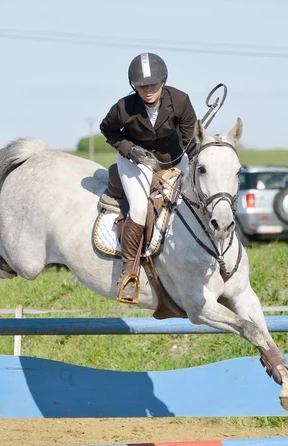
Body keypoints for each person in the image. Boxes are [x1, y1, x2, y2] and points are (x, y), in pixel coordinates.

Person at [100, 52, 197, 301]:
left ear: (163, 81)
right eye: (141, 86)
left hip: (173, 159)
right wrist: (128, 149)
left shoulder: (181, 101)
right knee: (141, 208)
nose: (148, 90)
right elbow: (107, 129)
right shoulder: (124, 107)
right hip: (136, 161)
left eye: (152, 84)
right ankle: (129, 274)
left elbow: (190, 142)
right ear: (134, 86)